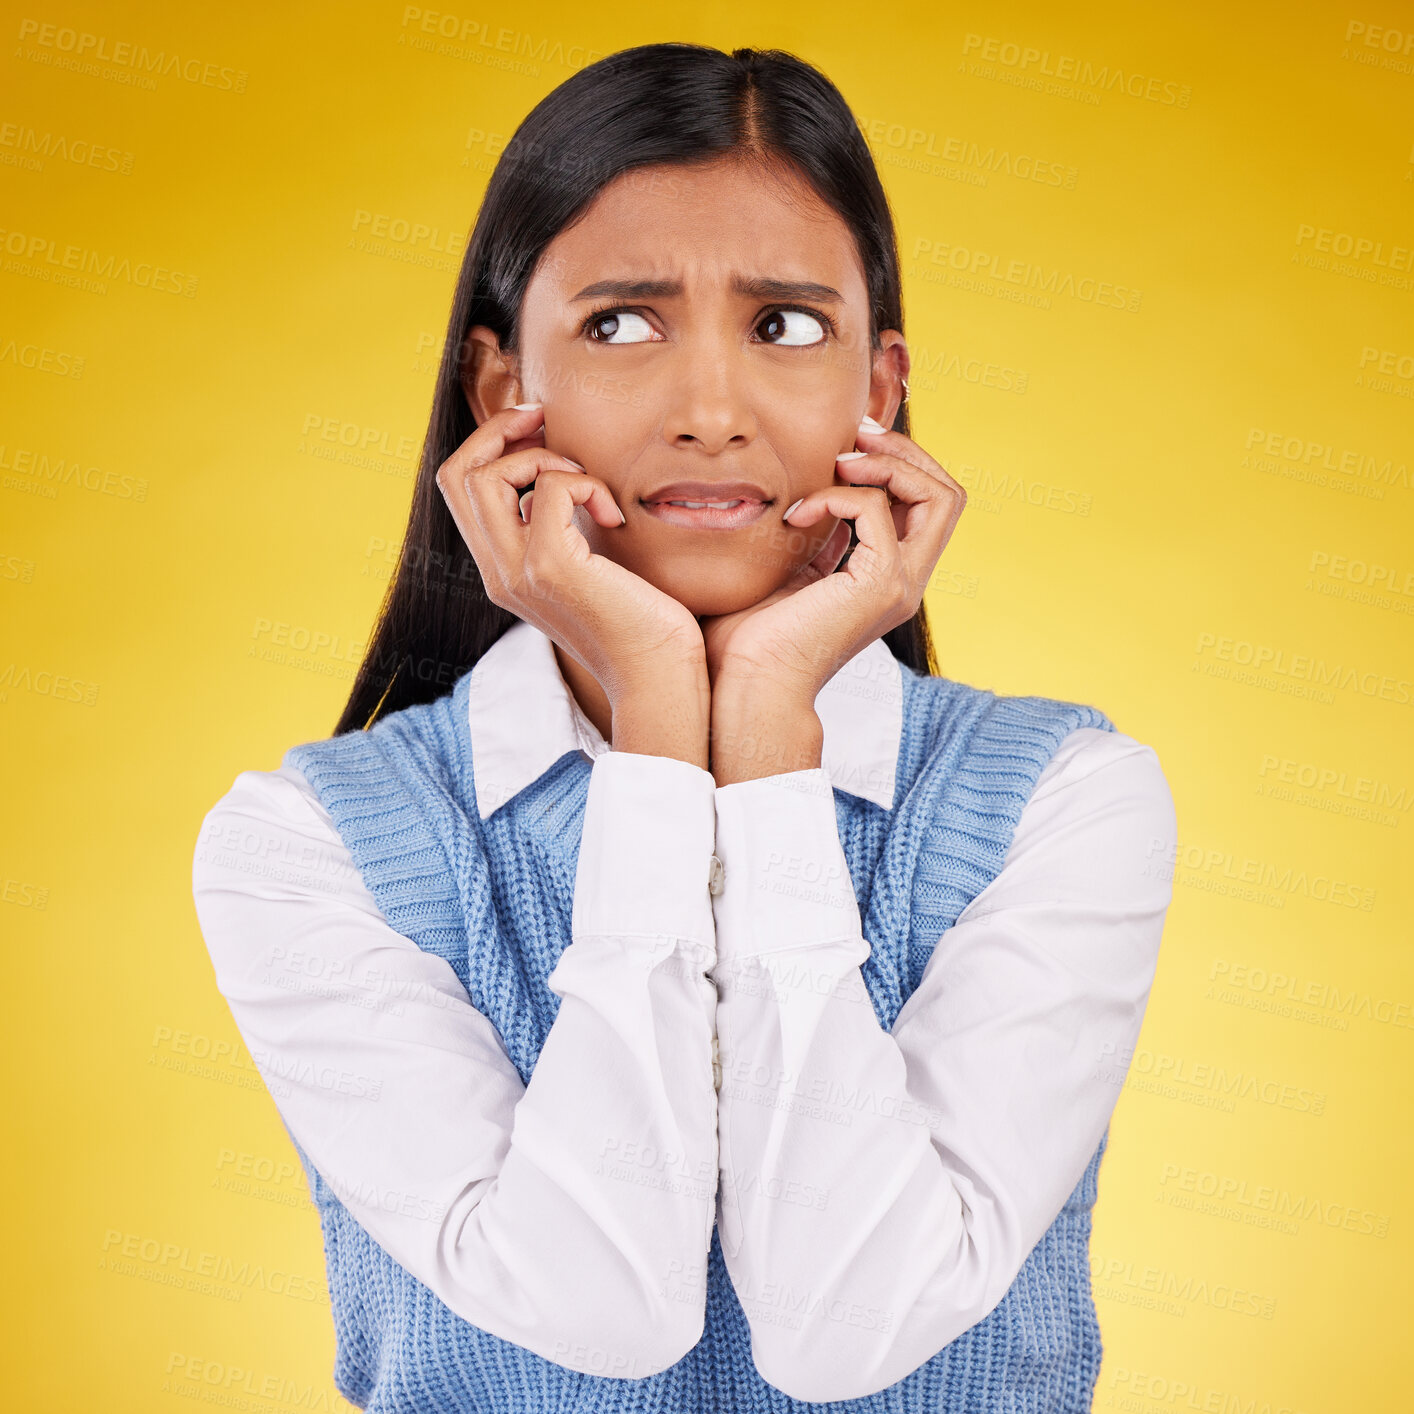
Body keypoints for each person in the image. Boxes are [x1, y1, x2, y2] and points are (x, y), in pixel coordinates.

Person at [192, 41, 1176, 1413]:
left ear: (878, 390)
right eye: (619, 324)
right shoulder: (309, 845)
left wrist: (766, 725)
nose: (710, 411)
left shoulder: (1062, 801)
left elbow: (847, 1329)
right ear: (497, 394)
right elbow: (597, 1307)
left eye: (782, 326)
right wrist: (663, 719)